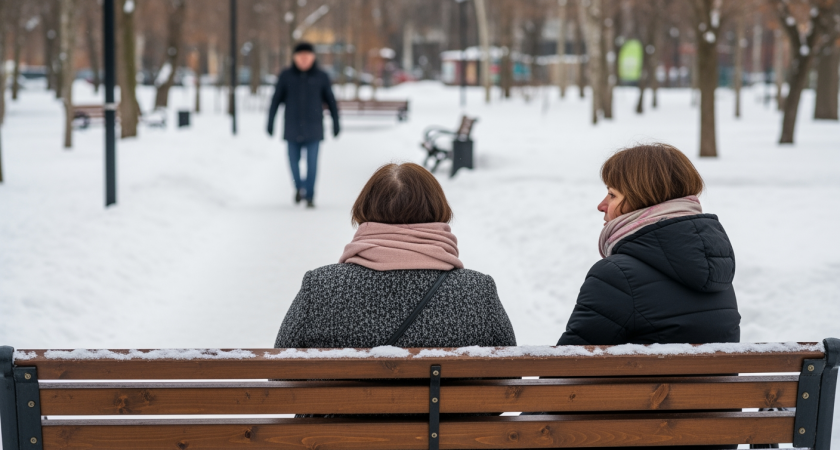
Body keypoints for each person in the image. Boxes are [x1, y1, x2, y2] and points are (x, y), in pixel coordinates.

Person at [275, 162, 516, 350]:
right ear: (438, 212)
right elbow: (509, 379)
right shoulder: (478, 292)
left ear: (364, 212)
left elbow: (280, 375)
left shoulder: (320, 287)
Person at [557, 143, 740, 346]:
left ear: (642, 199)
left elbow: (569, 361)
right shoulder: (716, 274)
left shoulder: (616, 275)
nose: (601, 206)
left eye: (612, 195)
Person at [267, 42, 340, 208]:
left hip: (314, 128)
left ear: (313, 57)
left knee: (312, 164)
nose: (304, 59)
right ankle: (299, 187)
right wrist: (270, 122)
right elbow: (276, 100)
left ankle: (310, 195)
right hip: (292, 128)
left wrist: (336, 122)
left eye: (307, 56)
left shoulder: (321, 76)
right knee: (293, 163)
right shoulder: (286, 76)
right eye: (301, 56)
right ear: (295, 57)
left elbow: (331, 101)